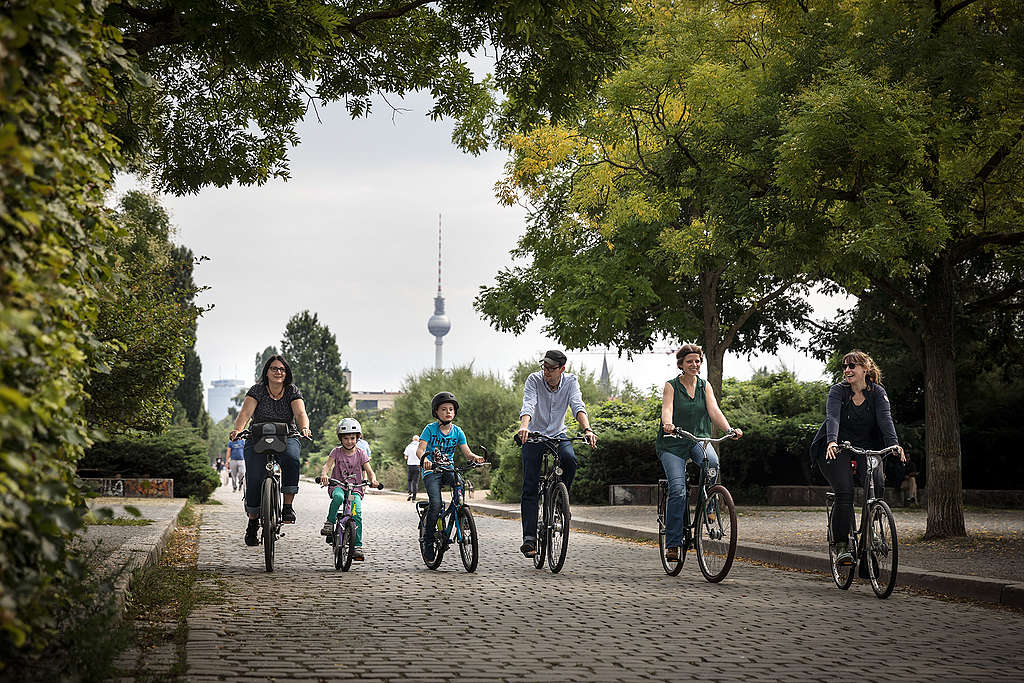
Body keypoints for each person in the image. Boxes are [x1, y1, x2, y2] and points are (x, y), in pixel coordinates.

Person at [809, 349, 905, 567]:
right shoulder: (838, 391)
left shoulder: (877, 393)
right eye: (844, 366)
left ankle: (871, 534)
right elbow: (832, 417)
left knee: (876, 485)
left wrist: (894, 444)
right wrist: (832, 440)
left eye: (852, 366)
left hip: (867, 448)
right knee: (845, 492)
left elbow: (885, 419)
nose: (847, 370)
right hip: (836, 448)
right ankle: (842, 545)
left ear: (865, 369)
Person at [656, 344, 742, 562]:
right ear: (681, 364)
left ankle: (710, 504)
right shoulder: (671, 386)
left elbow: (714, 410)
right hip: (673, 442)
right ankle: (673, 544)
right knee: (678, 490)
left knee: (712, 463)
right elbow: (667, 409)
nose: (694, 365)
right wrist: (668, 424)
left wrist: (729, 430)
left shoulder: (705, 386)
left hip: (698, 439)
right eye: (689, 362)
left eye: (697, 361)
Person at [516, 350, 597, 558]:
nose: (546, 372)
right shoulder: (534, 379)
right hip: (533, 435)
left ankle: (560, 500)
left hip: (558, 434)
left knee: (570, 460)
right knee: (530, 485)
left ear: (562, 369)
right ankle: (530, 539)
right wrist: (524, 427)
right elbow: (529, 404)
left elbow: (577, 405)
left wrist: (587, 429)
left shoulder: (571, 381)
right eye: (544, 367)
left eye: (551, 369)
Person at [229, 355, 313, 546]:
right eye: (274, 368)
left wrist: (304, 428)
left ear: (286, 373)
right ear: (266, 372)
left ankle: (287, 507)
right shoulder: (257, 390)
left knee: (292, 459)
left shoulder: (292, 391)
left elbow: (300, 413)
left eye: (282, 369)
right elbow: (246, 413)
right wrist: (238, 429)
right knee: (255, 477)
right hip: (257, 435)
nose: (278, 372)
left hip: (286, 435)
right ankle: (252, 522)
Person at [417, 392, 484, 561]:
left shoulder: (457, 431)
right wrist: (425, 460)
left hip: (449, 470)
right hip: (432, 471)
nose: (448, 412)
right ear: (436, 412)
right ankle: (428, 540)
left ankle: (460, 512)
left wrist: (475, 457)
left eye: (451, 409)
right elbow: (420, 449)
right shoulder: (429, 429)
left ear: (455, 412)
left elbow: (467, 452)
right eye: (444, 409)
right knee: (436, 503)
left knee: (459, 488)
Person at [320, 418, 379, 561]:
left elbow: (369, 471)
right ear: (340, 438)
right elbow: (327, 466)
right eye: (345, 438)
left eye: (352, 438)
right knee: (339, 498)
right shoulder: (336, 452)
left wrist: (373, 480)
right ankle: (329, 522)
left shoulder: (361, 453)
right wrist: (324, 475)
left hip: (355, 489)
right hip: (338, 485)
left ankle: (357, 546)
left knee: (357, 513)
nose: (349, 441)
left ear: (357, 438)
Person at [404, 435, 421, 501]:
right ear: (418, 440)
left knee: (409, 480)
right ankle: (414, 497)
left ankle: (409, 492)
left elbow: (406, 457)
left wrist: (409, 458)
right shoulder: (420, 446)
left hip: (410, 465)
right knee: (415, 482)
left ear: (412, 439)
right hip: (417, 465)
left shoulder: (409, 446)